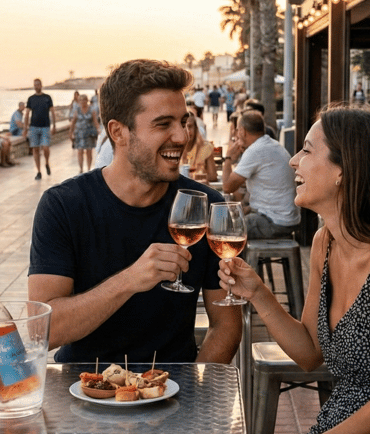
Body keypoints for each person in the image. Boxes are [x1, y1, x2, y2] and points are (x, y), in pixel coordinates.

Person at [219, 103, 370, 433]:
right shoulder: (324, 243)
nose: (293, 160)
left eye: (306, 150)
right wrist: (258, 293)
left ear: (343, 170)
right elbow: (309, 354)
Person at [28, 59, 242, 364]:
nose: (181, 137)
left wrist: (194, 396)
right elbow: (41, 333)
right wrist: (130, 280)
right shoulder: (64, 206)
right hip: (82, 388)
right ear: (118, 132)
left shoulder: (207, 206)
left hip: (174, 387)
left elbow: (227, 325)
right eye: (163, 124)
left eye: (183, 121)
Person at [221, 110, 300, 239]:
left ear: (242, 131)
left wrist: (228, 157)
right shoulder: (272, 145)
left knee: (221, 227)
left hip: (274, 222)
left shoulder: (255, 150)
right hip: (288, 219)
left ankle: (238, 260)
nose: (236, 134)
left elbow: (227, 187)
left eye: (237, 130)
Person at [24, 78, 57, 180]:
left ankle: (46, 163)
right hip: (33, 127)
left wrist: (54, 126)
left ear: (41, 85)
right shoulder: (31, 99)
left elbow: (52, 112)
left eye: (38, 85)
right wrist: (25, 128)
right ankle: (38, 171)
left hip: (45, 127)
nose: (36, 86)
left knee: (46, 148)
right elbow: (27, 113)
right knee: (35, 149)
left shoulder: (47, 98)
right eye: (35, 85)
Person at [183, 109, 217, 183]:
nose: (188, 131)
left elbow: (213, 176)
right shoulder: (174, 149)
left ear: (195, 128)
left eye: (190, 126)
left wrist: (197, 177)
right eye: (184, 127)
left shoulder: (205, 147)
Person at [68, 94, 100, 173]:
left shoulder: (92, 109)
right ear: (79, 102)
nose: (83, 102)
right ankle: (81, 169)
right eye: (81, 100)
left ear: (87, 100)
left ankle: (89, 169)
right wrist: (70, 132)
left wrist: (99, 130)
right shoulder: (77, 110)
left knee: (89, 151)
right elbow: (73, 122)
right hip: (79, 133)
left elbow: (95, 122)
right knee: (80, 151)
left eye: (84, 100)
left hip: (89, 133)